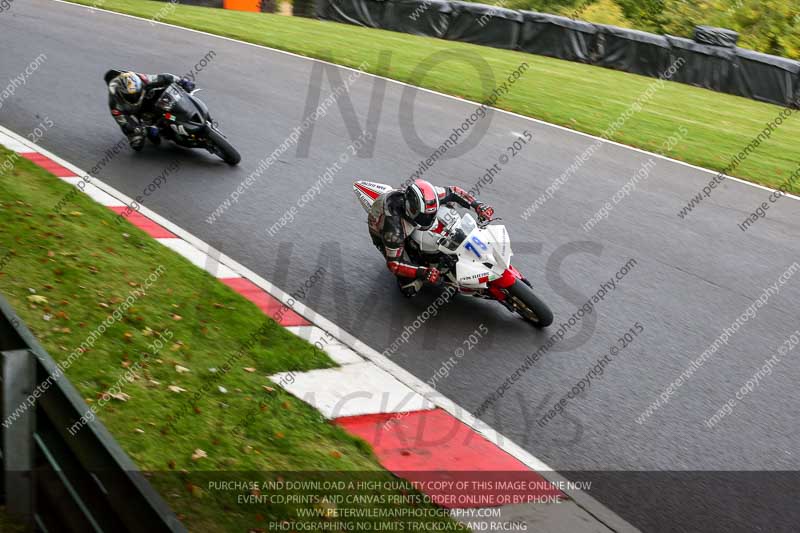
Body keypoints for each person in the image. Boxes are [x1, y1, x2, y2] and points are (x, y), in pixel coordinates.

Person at [368, 179, 494, 297]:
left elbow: (454, 191)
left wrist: (477, 206)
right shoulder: (394, 230)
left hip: (410, 217)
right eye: (424, 216)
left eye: (430, 214)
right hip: (383, 231)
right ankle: (419, 261)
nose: (427, 219)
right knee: (410, 289)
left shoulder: (430, 198)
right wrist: (422, 272)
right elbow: (394, 264)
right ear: (410, 208)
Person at [106, 71, 195, 151]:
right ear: (121, 93)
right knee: (137, 143)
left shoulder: (143, 79)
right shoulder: (115, 105)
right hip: (138, 113)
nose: (134, 97)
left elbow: (165, 77)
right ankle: (153, 128)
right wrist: (139, 130)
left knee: (173, 92)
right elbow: (125, 124)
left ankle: (179, 115)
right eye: (130, 96)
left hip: (151, 101)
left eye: (137, 93)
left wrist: (182, 81)